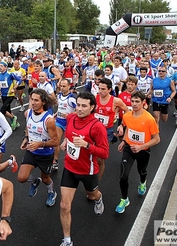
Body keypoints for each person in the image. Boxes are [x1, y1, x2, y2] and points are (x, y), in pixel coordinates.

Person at [59, 92, 109, 246]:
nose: (79, 109)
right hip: (70, 167)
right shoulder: (71, 118)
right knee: (64, 205)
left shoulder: (97, 126)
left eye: (84, 106)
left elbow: (105, 153)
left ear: (92, 107)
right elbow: (69, 133)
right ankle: (67, 240)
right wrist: (65, 141)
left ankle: (98, 198)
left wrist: (87, 145)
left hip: (87, 170)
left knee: (92, 195)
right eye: (78, 105)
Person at [115, 91, 160, 213]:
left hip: (143, 150)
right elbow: (128, 129)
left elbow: (157, 139)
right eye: (132, 101)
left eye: (137, 102)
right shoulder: (127, 116)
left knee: (142, 171)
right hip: (129, 148)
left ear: (143, 102)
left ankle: (142, 182)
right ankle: (124, 199)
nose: (134, 104)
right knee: (123, 176)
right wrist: (124, 141)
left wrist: (141, 147)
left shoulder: (149, 119)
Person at [18, 89, 59, 206]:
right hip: (31, 151)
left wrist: (40, 144)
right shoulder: (28, 113)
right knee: (21, 178)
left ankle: (52, 192)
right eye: (31, 99)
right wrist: (26, 138)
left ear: (43, 102)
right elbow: (28, 127)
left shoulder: (49, 120)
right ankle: (35, 182)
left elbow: (55, 141)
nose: (33, 102)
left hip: (45, 154)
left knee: (46, 179)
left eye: (36, 100)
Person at [53, 78, 77, 171]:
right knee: (56, 141)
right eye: (61, 86)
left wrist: (69, 115)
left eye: (64, 86)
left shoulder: (72, 98)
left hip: (70, 123)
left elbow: (79, 110)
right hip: (59, 121)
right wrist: (56, 114)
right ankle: (55, 161)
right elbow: (60, 107)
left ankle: (72, 162)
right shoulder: (59, 95)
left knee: (70, 145)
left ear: (69, 86)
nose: (62, 88)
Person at [0, 61, 21, 130]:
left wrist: (15, 88)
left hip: (10, 95)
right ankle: (16, 122)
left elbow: (19, 80)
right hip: (3, 95)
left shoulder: (10, 74)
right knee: (8, 110)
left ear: (6, 67)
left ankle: (13, 118)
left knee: (2, 110)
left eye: (2, 66)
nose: (0, 67)